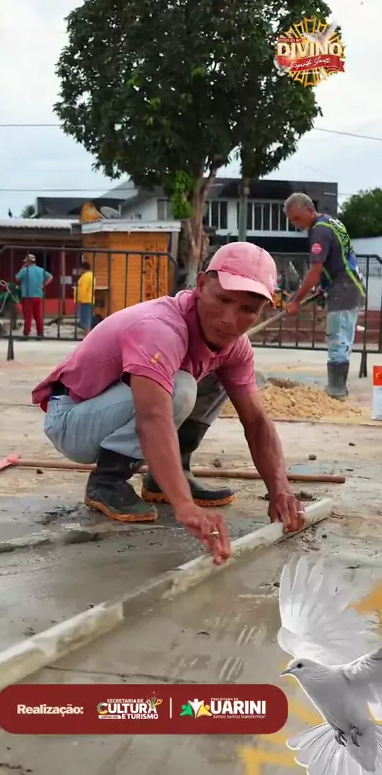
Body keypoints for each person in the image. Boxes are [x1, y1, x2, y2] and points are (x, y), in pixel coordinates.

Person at [32, 242, 305, 564]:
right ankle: (107, 480)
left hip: (110, 411)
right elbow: (153, 418)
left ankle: (166, 478)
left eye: (248, 309)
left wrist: (280, 490)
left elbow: (256, 421)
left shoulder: (234, 345)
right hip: (72, 420)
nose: (230, 320)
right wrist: (185, 506)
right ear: (201, 285)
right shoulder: (160, 328)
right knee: (179, 388)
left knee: (223, 377)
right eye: (223, 300)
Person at [284, 193, 365, 400]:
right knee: (342, 337)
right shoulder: (331, 222)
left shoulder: (319, 231)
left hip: (343, 289)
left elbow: (315, 269)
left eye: (297, 218)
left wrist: (296, 300)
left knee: (337, 338)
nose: (295, 224)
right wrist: (324, 286)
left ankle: (337, 390)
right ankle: (339, 387)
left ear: (310, 210)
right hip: (349, 284)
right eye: (292, 220)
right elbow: (337, 258)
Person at [15, 253, 53, 339]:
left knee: (28, 316)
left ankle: (26, 333)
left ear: (28, 262)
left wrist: (22, 268)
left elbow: (17, 278)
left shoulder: (25, 270)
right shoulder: (40, 270)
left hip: (28, 296)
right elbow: (50, 277)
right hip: (38, 296)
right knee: (38, 316)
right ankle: (40, 333)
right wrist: (43, 285)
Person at [73, 260, 95, 337]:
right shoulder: (90, 275)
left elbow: (83, 289)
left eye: (80, 269)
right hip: (88, 299)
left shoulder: (85, 277)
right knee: (87, 317)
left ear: (83, 268)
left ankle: (87, 335)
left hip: (85, 300)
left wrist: (80, 300)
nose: (79, 271)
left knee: (85, 318)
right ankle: (87, 334)